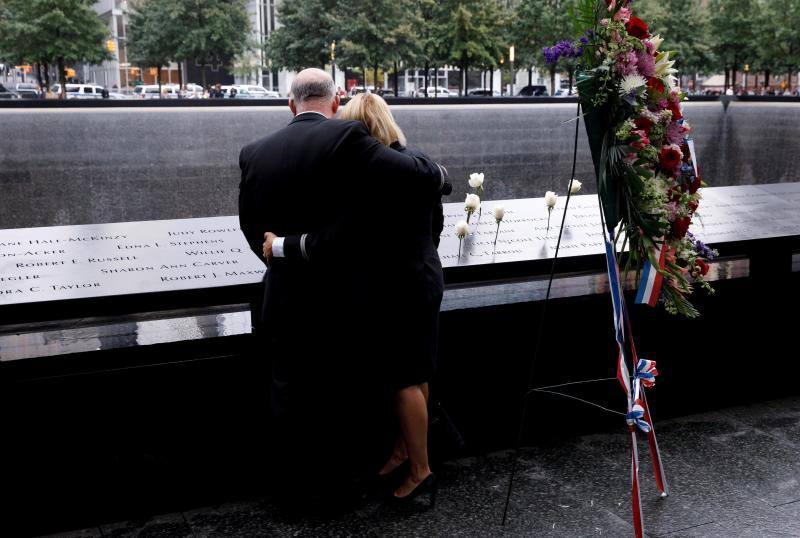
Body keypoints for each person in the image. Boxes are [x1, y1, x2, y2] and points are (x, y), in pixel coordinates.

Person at [238, 68, 450, 503]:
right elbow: (407, 183)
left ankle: (292, 492)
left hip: (281, 295)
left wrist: (279, 251)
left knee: (287, 392)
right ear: (335, 102)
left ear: (289, 103)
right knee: (334, 396)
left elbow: (251, 230)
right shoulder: (345, 139)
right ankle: (338, 487)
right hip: (338, 296)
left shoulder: (254, 152)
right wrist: (437, 171)